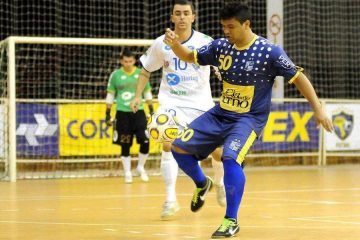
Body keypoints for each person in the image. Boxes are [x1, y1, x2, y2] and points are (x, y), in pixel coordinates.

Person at [164, 2, 334, 238]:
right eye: (223, 26)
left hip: (248, 119)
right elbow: (189, 56)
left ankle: (231, 220)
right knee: (178, 147)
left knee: (230, 158)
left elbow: (299, 77)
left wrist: (318, 109)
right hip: (221, 113)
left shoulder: (269, 52)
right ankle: (203, 183)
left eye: (231, 27)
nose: (226, 31)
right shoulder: (221, 46)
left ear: (247, 24)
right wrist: (174, 45)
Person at [130, 0, 226, 220]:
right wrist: (137, 96)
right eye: (177, 13)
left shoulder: (206, 42)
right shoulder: (160, 44)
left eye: (186, 13)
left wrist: (222, 74)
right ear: (172, 17)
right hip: (171, 103)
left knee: (218, 153)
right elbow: (145, 70)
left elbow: (220, 67)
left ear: (193, 17)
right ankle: (170, 200)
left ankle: (218, 184)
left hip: (201, 104)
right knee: (168, 143)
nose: (182, 17)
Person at [105, 48, 154, 184]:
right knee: (125, 143)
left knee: (145, 140)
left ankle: (140, 167)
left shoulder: (141, 73)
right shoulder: (115, 75)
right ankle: (127, 172)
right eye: (125, 61)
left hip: (139, 112)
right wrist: (107, 113)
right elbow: (110, 95)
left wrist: (151, 109)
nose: (128, 64)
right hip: (122, 112)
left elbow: (147, 92)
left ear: (134, 61)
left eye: (130, 61)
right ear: (121, 61)